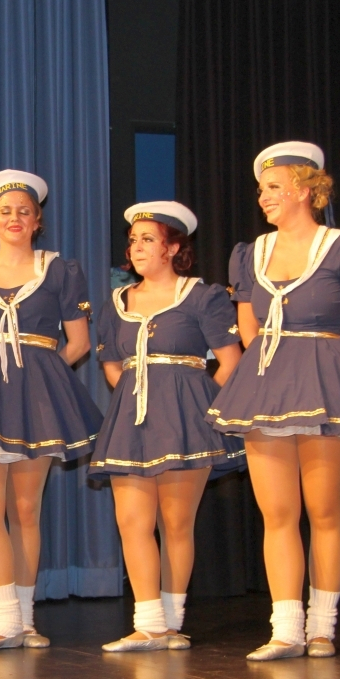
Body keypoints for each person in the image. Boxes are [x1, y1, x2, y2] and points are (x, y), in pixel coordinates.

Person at [208, 142, 340, 661]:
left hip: (324, 388)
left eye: (273, 188)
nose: (263, 197)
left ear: (306, 190)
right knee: (278, 513)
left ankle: (323, 627)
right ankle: (285, 629)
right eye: (260, 189)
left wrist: (339, 384)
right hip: (267, 388)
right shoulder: (250, 253)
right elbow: (248, 328)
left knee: (325, 510)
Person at [0, 170, 102, 652]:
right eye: (5, 212)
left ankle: (24, 621)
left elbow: (79, 342)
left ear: (37, 220)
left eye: (24, 211)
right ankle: (3, 620)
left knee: (26, 509)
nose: (14, 218)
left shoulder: (60, 270)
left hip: (37, 400)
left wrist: (41, 377)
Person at [90, 201, 243, 651]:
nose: (136, 247)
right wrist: (139, 395)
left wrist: (197, 406)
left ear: (173, 247)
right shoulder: (116, 302)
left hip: (185, 419)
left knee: (176, 522)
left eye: (148, 239)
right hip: (132, 419)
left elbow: (230, 361)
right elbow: (111, 364)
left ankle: (171, 623)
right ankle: (149, 623)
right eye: (133, 240)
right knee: (132, 520)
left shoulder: (202, 296)